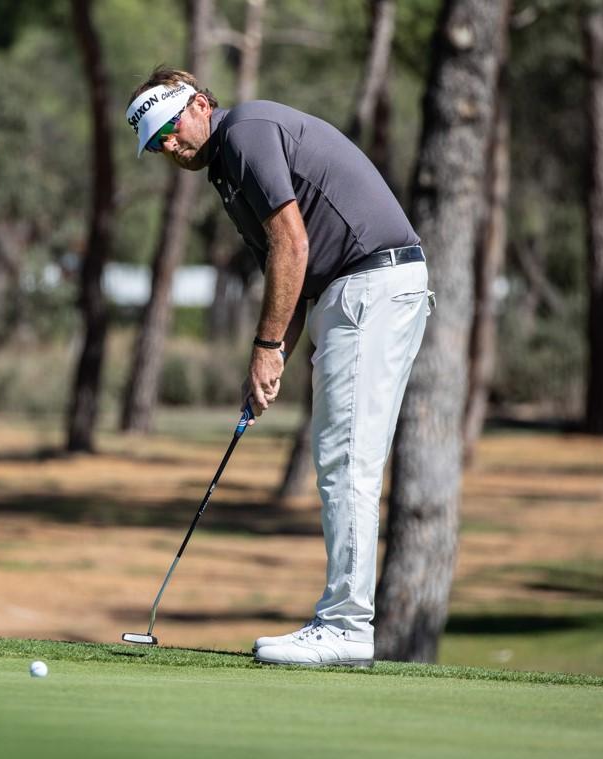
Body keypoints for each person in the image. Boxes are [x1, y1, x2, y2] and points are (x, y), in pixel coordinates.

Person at [125, 67, 432, 667]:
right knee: (343, 455)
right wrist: (274, 357)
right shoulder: (227, 168)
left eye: (169, 126)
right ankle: (345, 621)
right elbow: (288, 269)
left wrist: (266, 347)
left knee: (347, 458)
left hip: (370, 283)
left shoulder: (244, 131)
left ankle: (346, 625)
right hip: (353, 291)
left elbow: (292, 244)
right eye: (155, 142)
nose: (168, 144)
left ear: (200, 104)